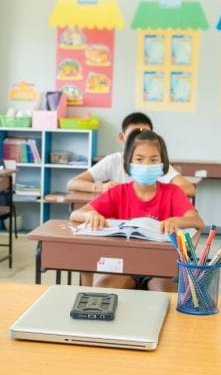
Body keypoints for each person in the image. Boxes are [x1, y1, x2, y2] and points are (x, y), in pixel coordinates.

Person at [70, 129, 203, 292]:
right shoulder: (118, 192)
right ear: (129, 162)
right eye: (139, 159)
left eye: (154, 160)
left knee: (165, 299)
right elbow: (75, 214)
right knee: (101, 293)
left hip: (160, 270)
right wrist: (90, 214)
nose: (146, 165)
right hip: (124, 267)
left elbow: (197, 222)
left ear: (163, 163)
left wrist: (176, 220)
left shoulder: (172, 192)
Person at [67, 112, 195, 196]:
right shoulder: (114, 161)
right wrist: (101, 187)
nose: (139, 141)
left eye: (144, 135)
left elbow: (188, 189)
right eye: (133, 136)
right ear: (122, 138)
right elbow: (73, 183)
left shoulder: (156, 164)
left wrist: (154, 193)